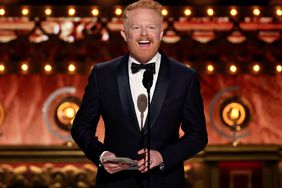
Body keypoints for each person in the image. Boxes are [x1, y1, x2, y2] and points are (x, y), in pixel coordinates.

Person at [71, 0, 208, 187]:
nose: (144, 34)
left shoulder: (184, 77)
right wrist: (102, 155)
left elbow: (198, 135)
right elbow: (81, 128)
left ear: (161, 33)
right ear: (124, 34)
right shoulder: (102, 75)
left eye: (151, 27)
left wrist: (163, 156)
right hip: (115, 183)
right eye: (136, 27)